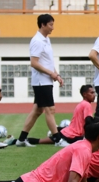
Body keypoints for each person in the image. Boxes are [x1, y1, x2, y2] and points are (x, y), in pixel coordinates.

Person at [16, 14, 64, 147]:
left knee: (37, 110)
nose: (52, 28)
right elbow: (34, 63)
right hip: (41, 82)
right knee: (50, 109)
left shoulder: (46, 40)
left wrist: (56, 74)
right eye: (50, 25)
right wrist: (51, 74)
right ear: (43, 25)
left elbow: (47, 61)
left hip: (46, 80)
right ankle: (58, 139)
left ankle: (21, 139)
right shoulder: (37, 41)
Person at [18, 85, 96, 147]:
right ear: (85, 94)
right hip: (73, 135)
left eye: (94, 92)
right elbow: (88, 121)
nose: (94, 95)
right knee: (91, 141)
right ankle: (55, 133)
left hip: (67, 132)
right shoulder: (87, 105)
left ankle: (22, 140)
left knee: (42, 141)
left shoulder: (81, 104)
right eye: (91, 93)